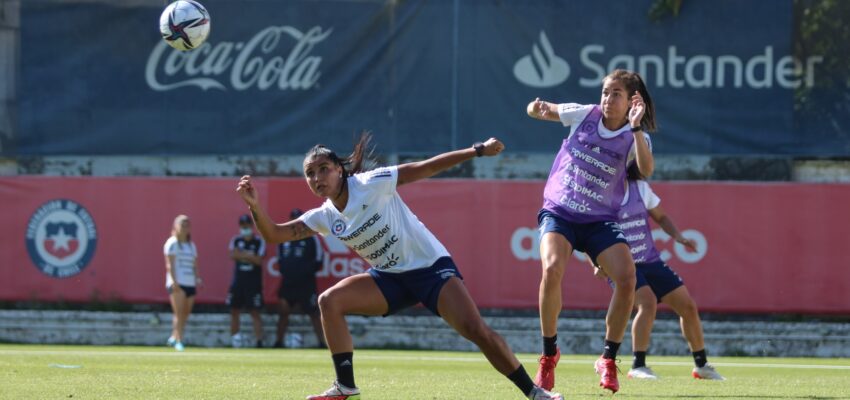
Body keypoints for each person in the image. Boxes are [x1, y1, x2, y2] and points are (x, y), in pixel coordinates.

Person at [236, 133, 563, 400]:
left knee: (477, 331)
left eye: (323, 169)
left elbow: (425, 168)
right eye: (310, 173)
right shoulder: (324, 216)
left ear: (340, 169)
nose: (317, 178)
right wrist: (254, 206)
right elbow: (275, 234)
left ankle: (534, 393)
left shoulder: (370, 184)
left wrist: (477, 150)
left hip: (430, 268)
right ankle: (345, 385)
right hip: (389, 278)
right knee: (329, 301)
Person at [526, 69, 656, 393]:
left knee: (627, 278)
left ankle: (608, 359)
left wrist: (637, 128)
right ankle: (548, 355)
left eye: (616, 94)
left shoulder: (635, 136)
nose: (608, 99)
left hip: (599, 220)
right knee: (552, 268)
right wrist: (536, 107)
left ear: (631, 102)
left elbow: (647, 169)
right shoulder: (584, 114)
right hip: (560, 210)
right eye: (605, 92)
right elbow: (540, 110)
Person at [591, 167, 724, 381]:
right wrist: (595, 262)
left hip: (650, 260)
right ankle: (638, 365)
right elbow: (588, 232)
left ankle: (701, 365)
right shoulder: (599, 193)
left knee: (687, 306)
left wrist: (678, 236)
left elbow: (661, 217)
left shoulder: (640, 189)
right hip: (622, 265)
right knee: (648, 302)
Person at [274, 208, 327, 349]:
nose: (297, 223)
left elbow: (319, 259)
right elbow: (279, 260)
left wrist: (305, 272)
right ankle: (278, 342)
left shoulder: (313, 238)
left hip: (306, 283)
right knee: (283, 311)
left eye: (299, 219)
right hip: (288, 282)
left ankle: (322, 342)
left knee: (314, 313)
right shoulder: (283, 238)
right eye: (294, 219)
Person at [227, 214, 267, 348]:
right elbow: (232, 255)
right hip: (238, 281)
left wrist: (242, 255)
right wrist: (250, 255)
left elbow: (258, 260)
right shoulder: (236, 240)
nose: (245, 228)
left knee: (255, 311)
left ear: (252, 226)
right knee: (234, 310)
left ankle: (259, 341)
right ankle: (235, 340)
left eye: (247, 226)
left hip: (253, 283)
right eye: (243, 226)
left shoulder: (259, 241)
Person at [164, 214, 202, 352]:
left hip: (190, 282)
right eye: (182, 224)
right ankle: (179, 340)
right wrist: (174, 281)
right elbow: (170, 265)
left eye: (187, 225)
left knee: (185, 313)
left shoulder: (191, 245)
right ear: (176, 226)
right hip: (177, 283)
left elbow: (194, 265)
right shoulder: (171, 243)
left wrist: (198, 278)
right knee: (178, 313)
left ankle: (173, 337)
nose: (185, 227)